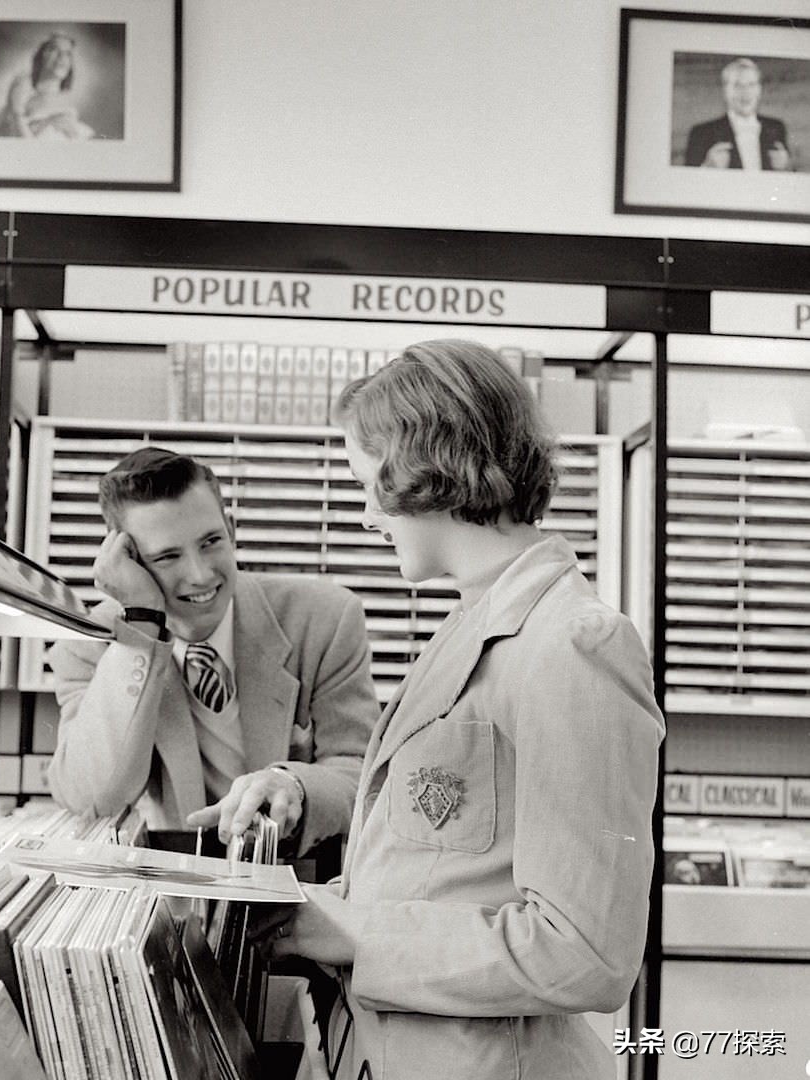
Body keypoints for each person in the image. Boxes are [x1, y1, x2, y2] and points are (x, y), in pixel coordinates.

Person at [255, 340, 665, 1080]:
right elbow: (435, 878)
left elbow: (586, 955)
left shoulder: (573, 645)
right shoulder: (472, 621)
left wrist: (344, 929)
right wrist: (296, 907)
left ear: (420, 468)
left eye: (364, 486)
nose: (365, 519)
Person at [46, 447, 379, 858]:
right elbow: (93, 797)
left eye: (211, 542)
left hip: (300, 880)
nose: (201, 574)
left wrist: (291, 785)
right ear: (129, 562)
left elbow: (362, 774)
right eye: (167, 556)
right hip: (173, 888)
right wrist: (141, 627)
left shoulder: (324, 619)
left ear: (232, 531)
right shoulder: (90, 648)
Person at [0, 32, 94, 139]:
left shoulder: (66, 104)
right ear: (41, 55)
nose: (61, 57)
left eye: (68, 53)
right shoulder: (22, 88)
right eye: (54, 49)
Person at [684, 57, 790, 170]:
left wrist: (785, 168)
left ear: (759, 90)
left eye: (751, 85)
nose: (745, 92)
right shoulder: (701, 133)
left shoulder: (776, 128)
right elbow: (685, 183)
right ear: (725, 91)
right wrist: (707, 167)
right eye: (737, 85)